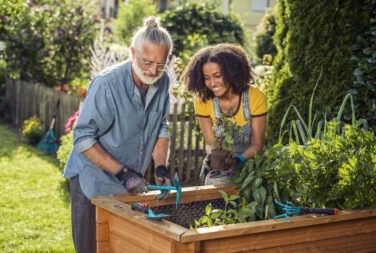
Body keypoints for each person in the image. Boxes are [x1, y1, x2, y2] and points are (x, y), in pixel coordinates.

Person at [63, 16, 173, 253]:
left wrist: (161, 167)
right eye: (146, 62)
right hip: (92, 181)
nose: (153, 71)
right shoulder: (107, 85)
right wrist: (122, 172)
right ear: (133, 53)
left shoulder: (162, 82)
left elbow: (160, 126)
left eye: (160, 65)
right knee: (91, 248)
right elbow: (83, 138)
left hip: (126, 186)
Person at [183, 43, 267, 185]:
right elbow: (211, 142)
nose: (212, 83)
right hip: (221, 165)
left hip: (252, 166)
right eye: (207, 78)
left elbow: (257, 144)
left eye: (217, 76)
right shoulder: (202, 101)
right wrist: (216, 157)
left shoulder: (255, 97)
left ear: (231, 73)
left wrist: (238, 159)